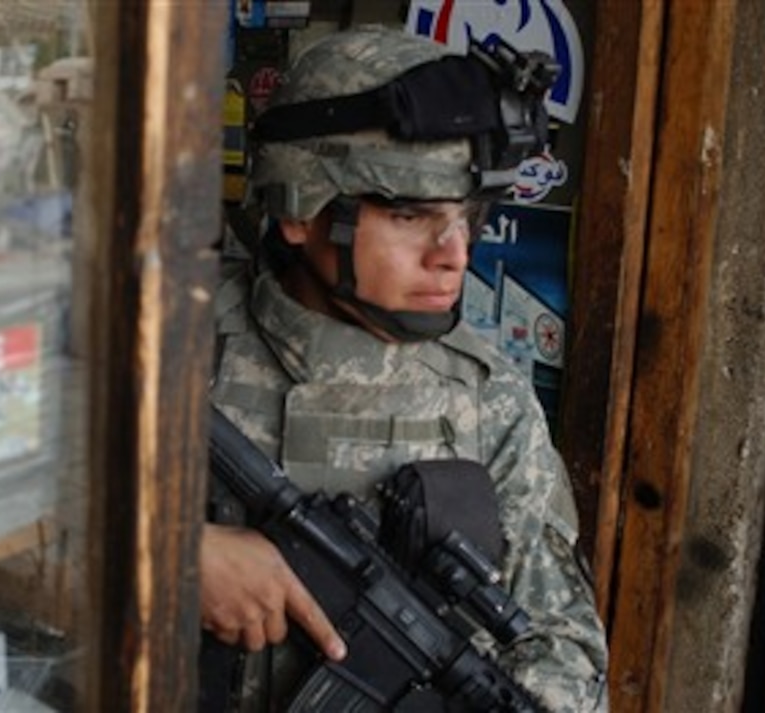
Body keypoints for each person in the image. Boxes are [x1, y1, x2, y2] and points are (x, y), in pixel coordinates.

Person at [200, 25, 609, 712]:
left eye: (466, 215)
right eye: (410, 214)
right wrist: (170, 558)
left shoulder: (488, 399)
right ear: (303, 206)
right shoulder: (164, 343)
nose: (453, 252)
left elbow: (565, 645)